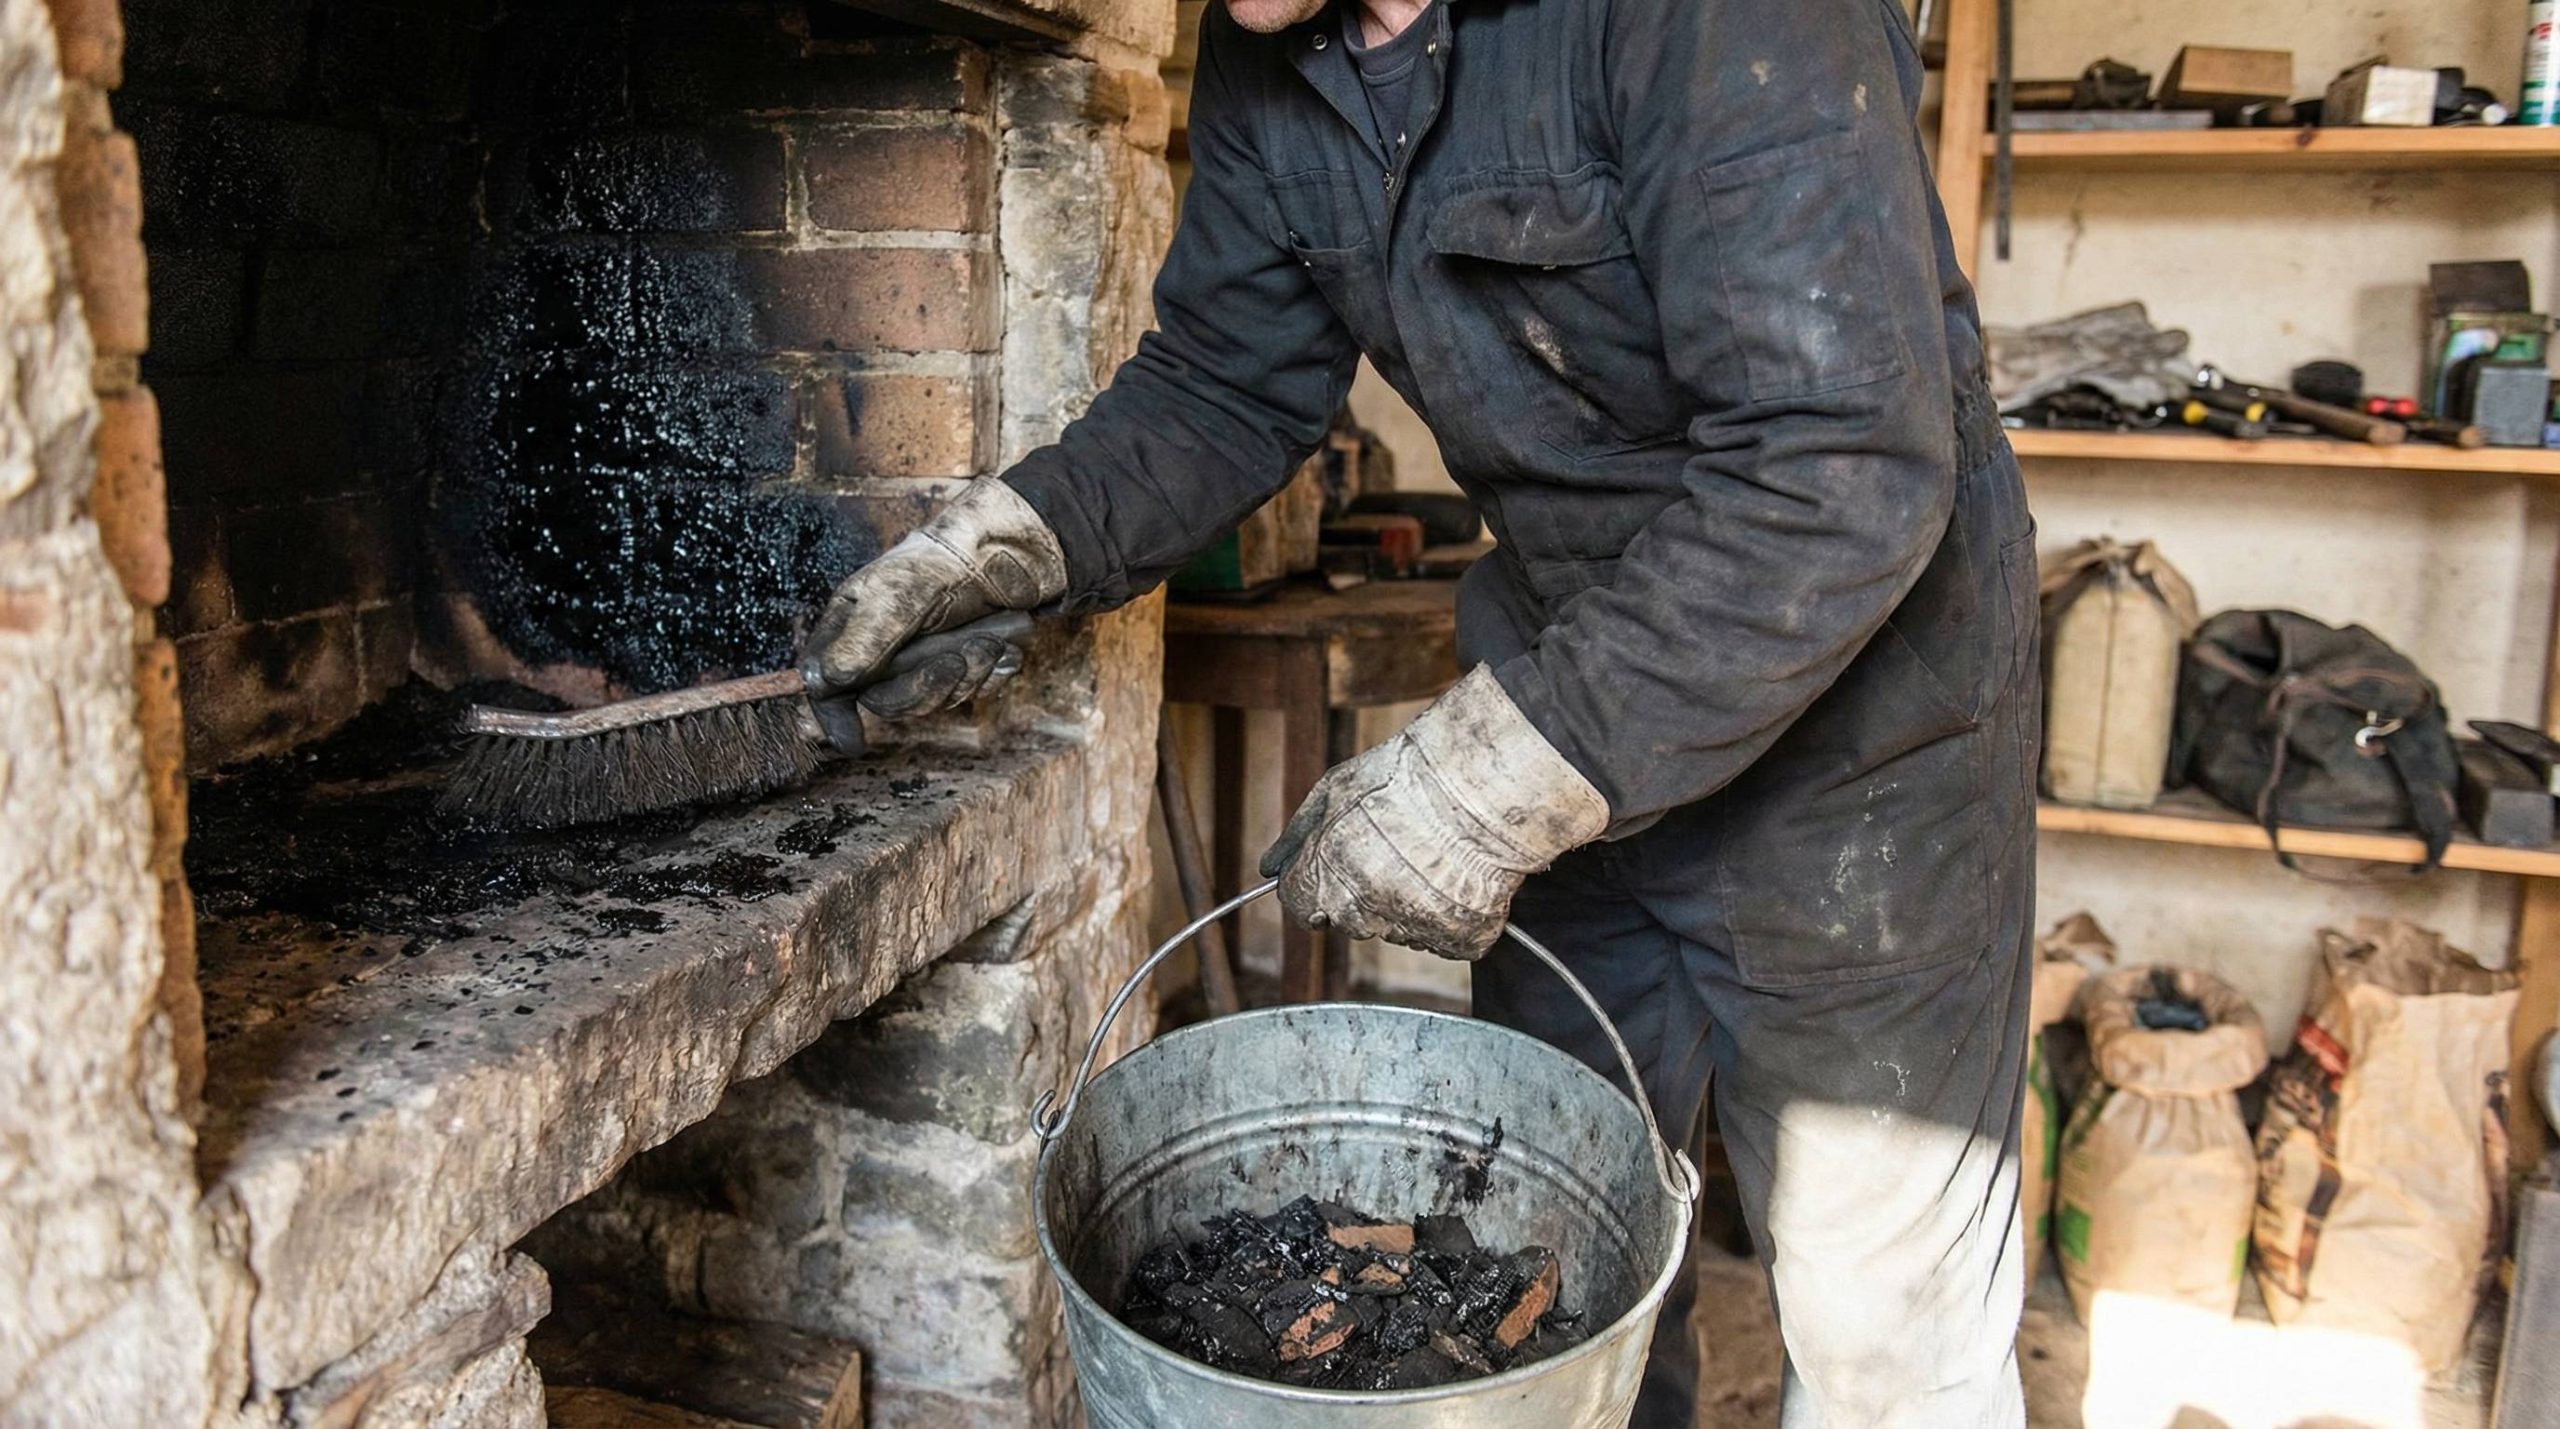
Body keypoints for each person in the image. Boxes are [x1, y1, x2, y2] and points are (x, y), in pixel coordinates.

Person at [805, 0, 2037, 1422]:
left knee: (1889, 1341)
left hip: (1860, 748)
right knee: (1557, 1260)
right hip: (1576, 685)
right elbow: (1224, 378)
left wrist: (1485, 783)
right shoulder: (1268, 47)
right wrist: (1023, 541)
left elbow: (1841, 469)